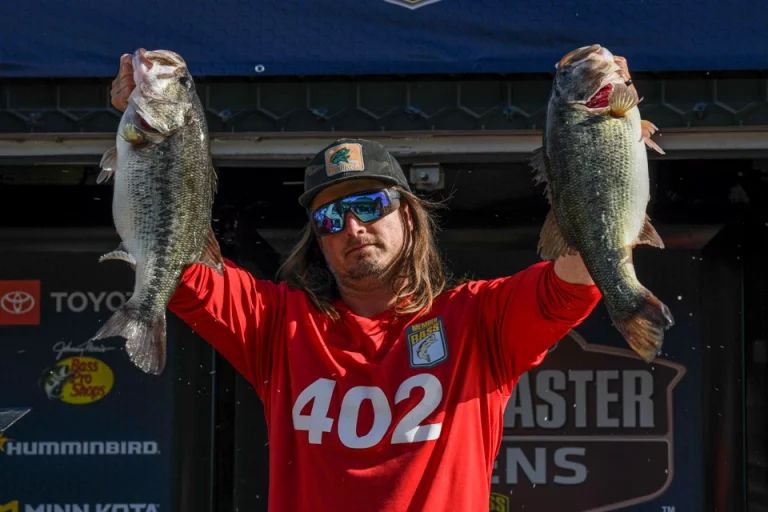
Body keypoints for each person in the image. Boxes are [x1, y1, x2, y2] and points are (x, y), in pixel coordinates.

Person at [109, 54, 636, 512]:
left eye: (370, 204)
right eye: (330, 218)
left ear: (409, 216)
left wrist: (598, 138)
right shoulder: (277, 324)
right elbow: (170, 262)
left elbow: (581, 271)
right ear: (317, 238)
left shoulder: (479, 319)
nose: (353, 227)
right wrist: (153, 135)